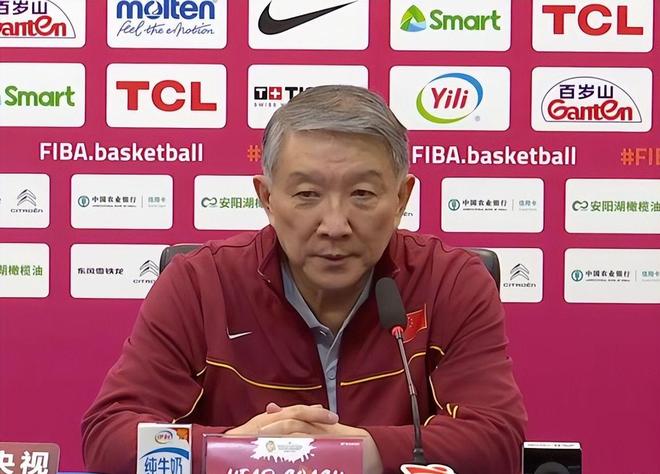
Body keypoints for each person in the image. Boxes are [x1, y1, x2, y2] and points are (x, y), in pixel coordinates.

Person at [82, 85, 526, 474]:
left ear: (401, 198)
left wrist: (360, 452)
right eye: (307, 194)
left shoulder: (449, 281)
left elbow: (497, 440)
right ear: (267, 198)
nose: (334, 225)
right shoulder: (201, 283)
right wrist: (236, 451)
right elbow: (110, 436)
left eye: (362, 194)